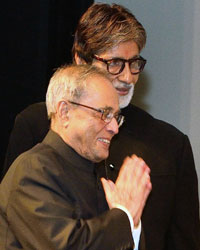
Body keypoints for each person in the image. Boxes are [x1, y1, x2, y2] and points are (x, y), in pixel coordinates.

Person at [1, 3, 200, 250]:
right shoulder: (37, 136)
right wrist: (125, 216)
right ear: (80, 61)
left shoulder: (170, 143)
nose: (127, 77)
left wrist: (130, 223)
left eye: (134, 63)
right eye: (115, 63)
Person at [0, 64, 152, 250]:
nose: (114, 128)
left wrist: (133, 223)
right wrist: (125, 216)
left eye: (116, 117)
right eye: (104, 114)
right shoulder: (33, 170)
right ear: (65, 112)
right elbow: (65, 246)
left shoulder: (103, 177)